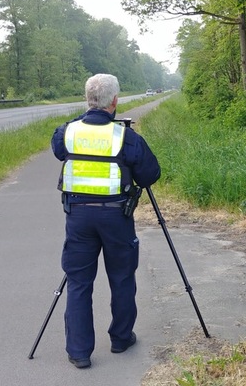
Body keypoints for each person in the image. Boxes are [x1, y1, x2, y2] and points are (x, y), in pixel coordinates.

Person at [51, 74, 161, 369]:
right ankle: (121, 338)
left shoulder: (67, 132)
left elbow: (59, 148)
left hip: (78, 216)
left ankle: (79, 351)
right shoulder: (126, 138)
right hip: (116, 216)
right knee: (122, 277)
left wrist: (86, 116)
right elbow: (150, 175)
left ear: (87, 100)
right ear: (115, 102)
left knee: (78, 282)